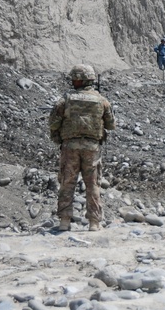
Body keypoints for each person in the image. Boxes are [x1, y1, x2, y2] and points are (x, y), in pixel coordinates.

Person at [48, 64, 115, 232]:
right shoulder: (101, 100)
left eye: (74, 78)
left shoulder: (66, 99)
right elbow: (111, 124)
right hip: (92, 147)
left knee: (67, 182)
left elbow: (53, 122)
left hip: (70, 146)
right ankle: (94, 222)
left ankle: (64, 221)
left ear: (80, 80)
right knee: (93, 184)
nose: (72, 81)